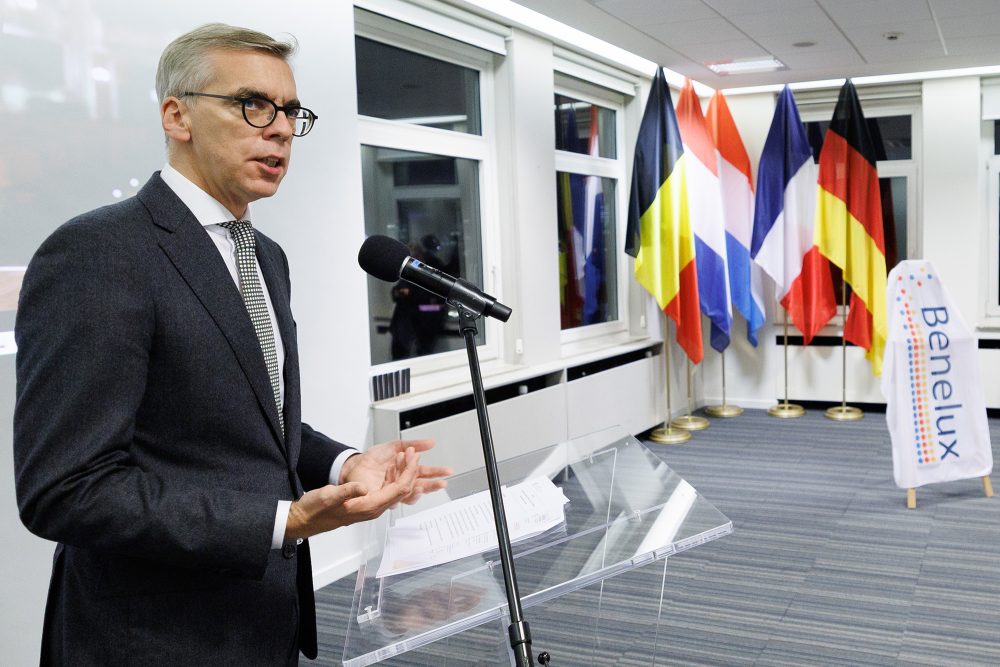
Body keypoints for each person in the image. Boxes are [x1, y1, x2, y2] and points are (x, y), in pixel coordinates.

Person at [12, 23, 451, 665]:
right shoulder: (98, 253)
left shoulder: (264, 255)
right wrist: (284, 522)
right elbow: (67, 488)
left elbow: (251, 422)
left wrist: (341, 464)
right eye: (253, 104)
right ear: (176, 115)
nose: (278, 128)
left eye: (291, 112)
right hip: (152, 638)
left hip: (263, 622)